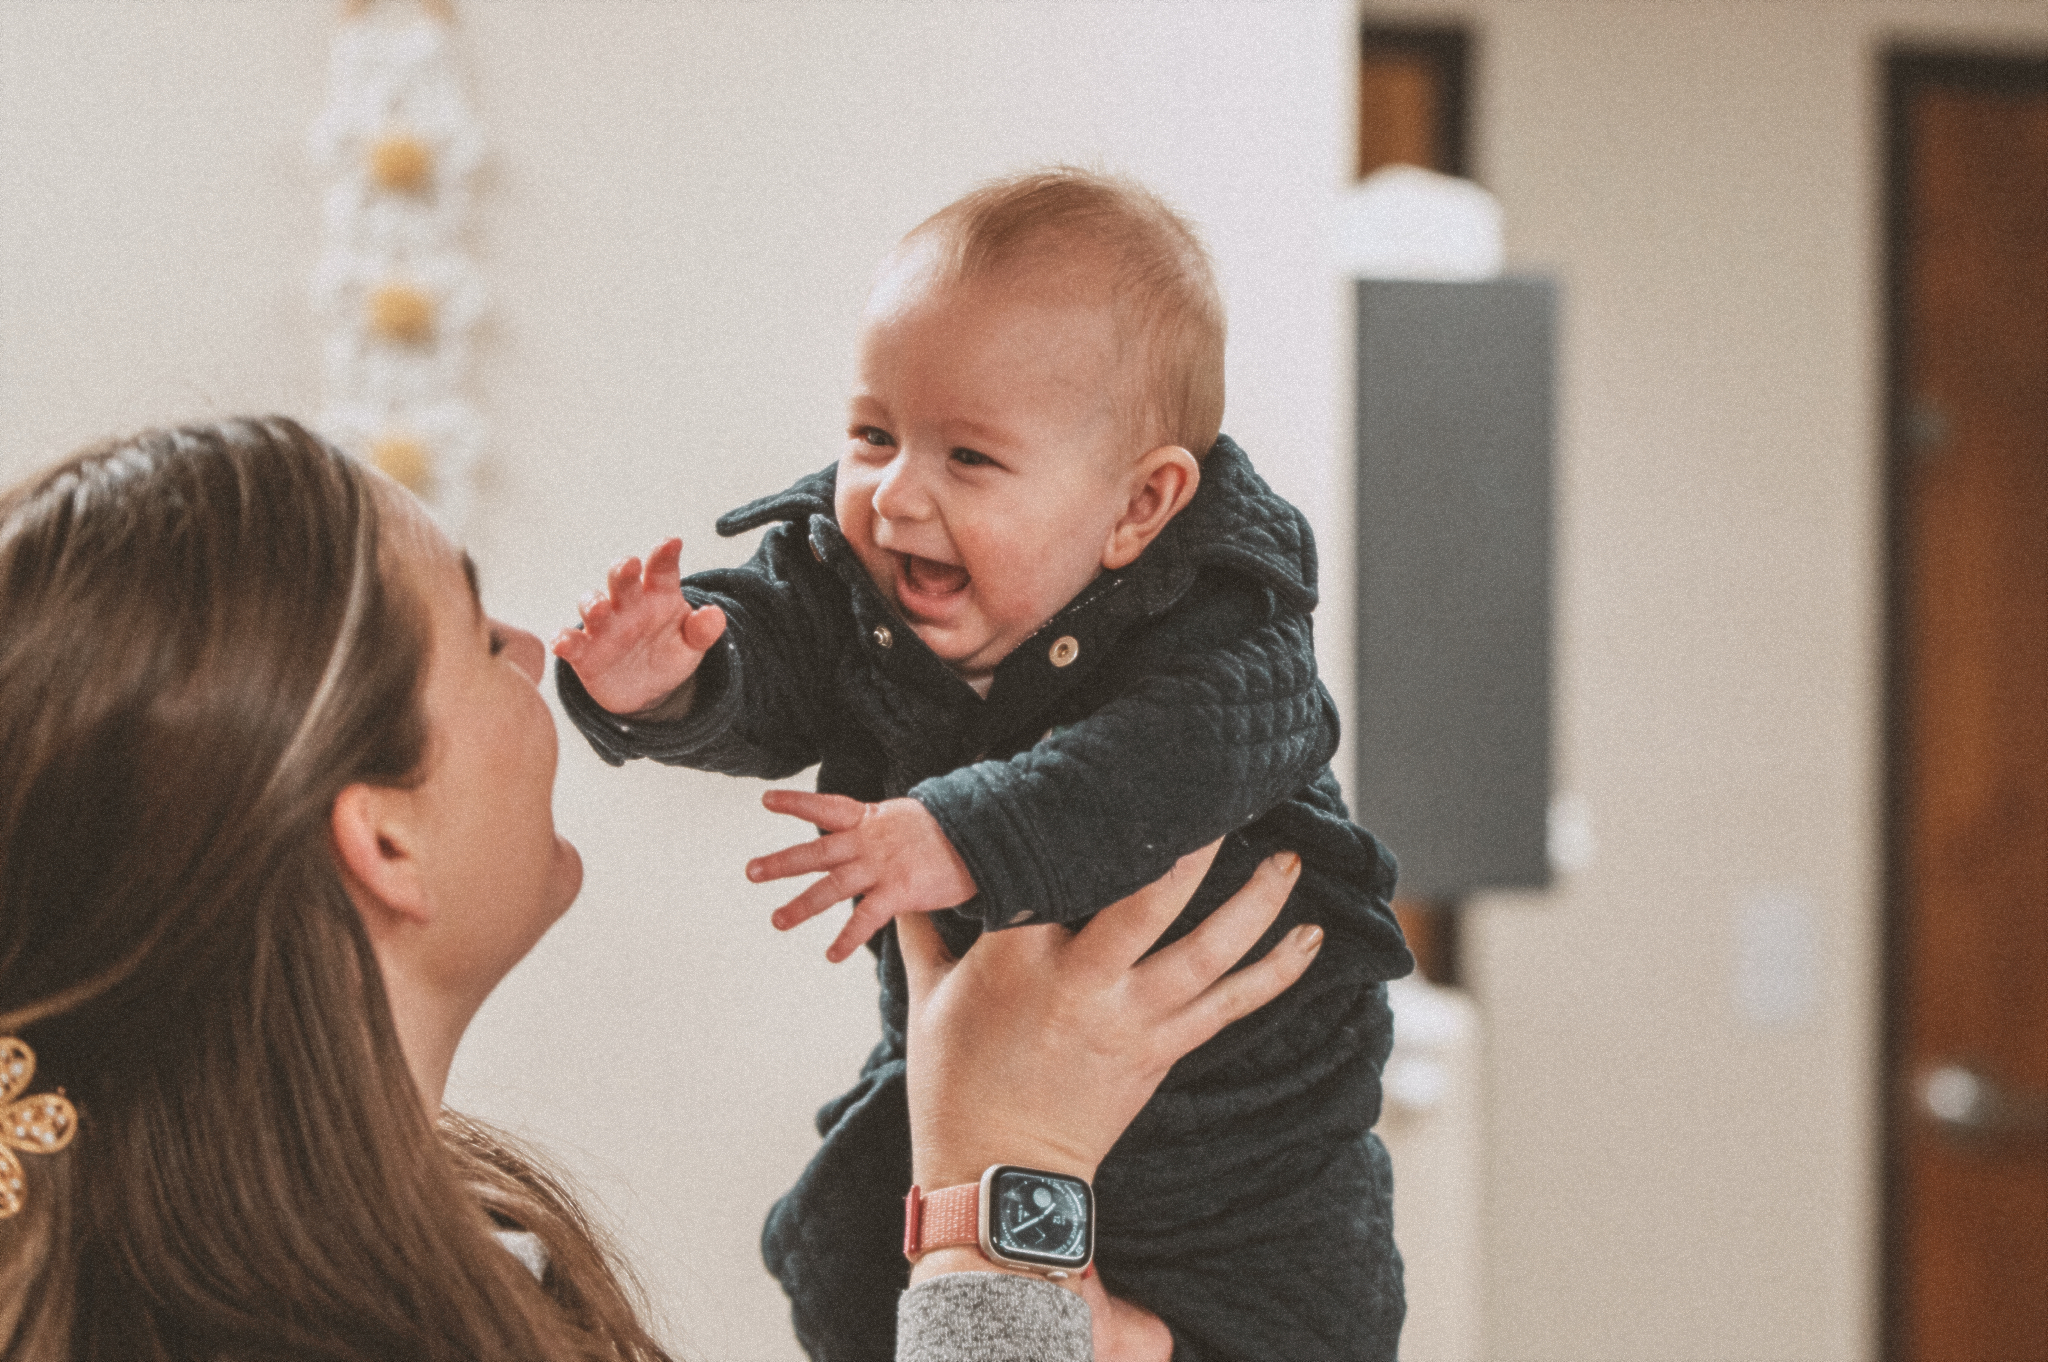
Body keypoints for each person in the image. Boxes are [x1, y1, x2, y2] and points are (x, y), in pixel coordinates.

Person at [0, 416, 1318, 1361]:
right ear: (384, 842)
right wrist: (1001, 1195)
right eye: (472, 631)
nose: (527, 647)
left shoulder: (454, 1236)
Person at [551, 168, 1413, 1361]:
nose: (896, 495)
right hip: (981, 1086)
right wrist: (674, 682)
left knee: (1306, 1322)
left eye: (969, 459)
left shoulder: (1229, 613)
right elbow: (777, 651)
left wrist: (959, 833)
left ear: (1139, 506)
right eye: (871, 434)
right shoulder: (852, 581)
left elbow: (1169, 761)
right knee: (842, 1266)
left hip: (1247, 1143)